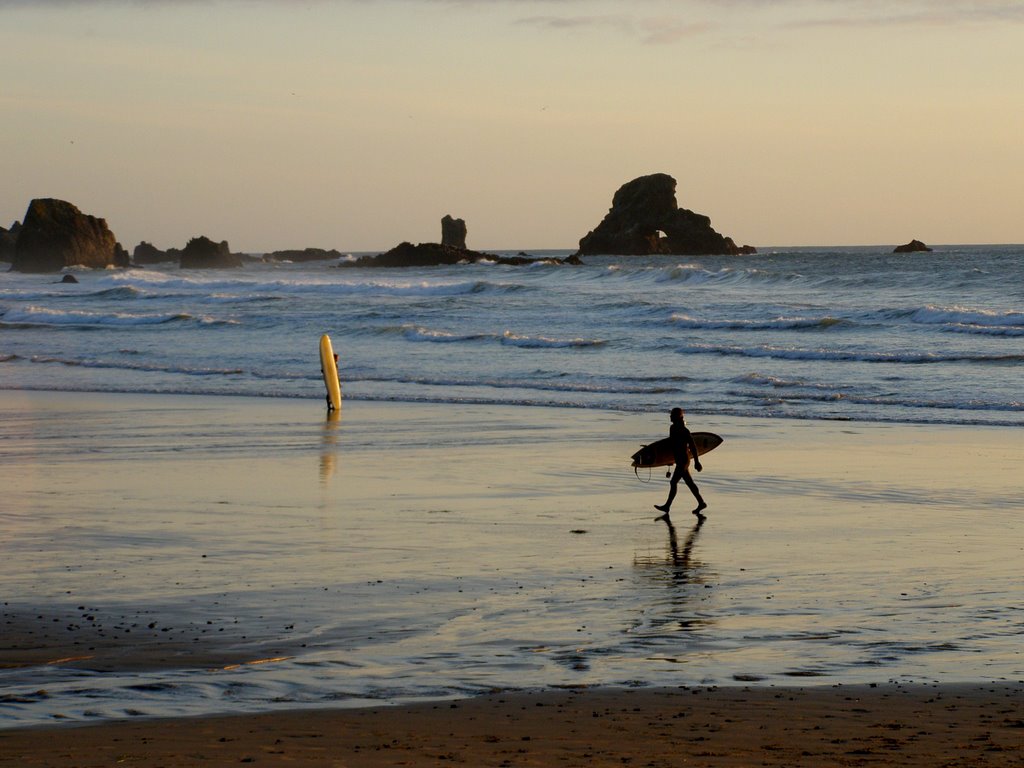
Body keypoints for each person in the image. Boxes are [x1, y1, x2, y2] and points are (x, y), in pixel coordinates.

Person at [654, 407, 707, 519]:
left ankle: (667, 506)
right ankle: (701, 503)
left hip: (684, 461)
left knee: (673, 482)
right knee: (690, 483)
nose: (670, 417)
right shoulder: (672, 428)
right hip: (678, 460)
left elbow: (693, 447)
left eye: (672, 415)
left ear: (678, 417)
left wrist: (697, 462)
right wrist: (668, 459)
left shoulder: (684, 431)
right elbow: (672, 446)